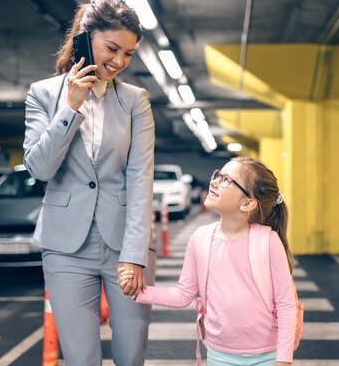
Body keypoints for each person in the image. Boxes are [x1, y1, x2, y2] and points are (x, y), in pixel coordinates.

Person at [23, 0, 155, 366]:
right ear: (84, 35)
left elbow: (140, 179)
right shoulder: (43, 94)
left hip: (124, 246)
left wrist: (134, 255)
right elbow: (39, 168)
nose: (118, 62)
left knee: (131, 356)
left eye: (128, 54)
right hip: (65, 247)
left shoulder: (135, 100)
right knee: (80, 359)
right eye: (112, 48)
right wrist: (71, 107)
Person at [119, 156, 297, 366]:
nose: (214, 181)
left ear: (248, 203)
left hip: (266, 355)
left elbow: (286, 304)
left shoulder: (268, 241)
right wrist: (138, 290)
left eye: (226, 180)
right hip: (219, 354)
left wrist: (284, 360)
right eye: (218, 175)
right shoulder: (201, 238)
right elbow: (183, 294)